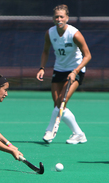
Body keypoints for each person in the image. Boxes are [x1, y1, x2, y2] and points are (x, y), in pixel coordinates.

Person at [36, 4, 91, 144]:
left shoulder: (74, 34)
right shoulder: (50, 33)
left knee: (62, 101)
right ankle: (79, 134)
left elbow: (87, 56)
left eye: (61, 17)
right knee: (57, 104)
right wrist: (42, 68)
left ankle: (49, 131)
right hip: (59, 69)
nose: (59, 19)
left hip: (75, 69)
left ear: (67, 18)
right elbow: (45, 51)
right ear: (53, 19)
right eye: (56, 17)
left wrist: (75, 71)